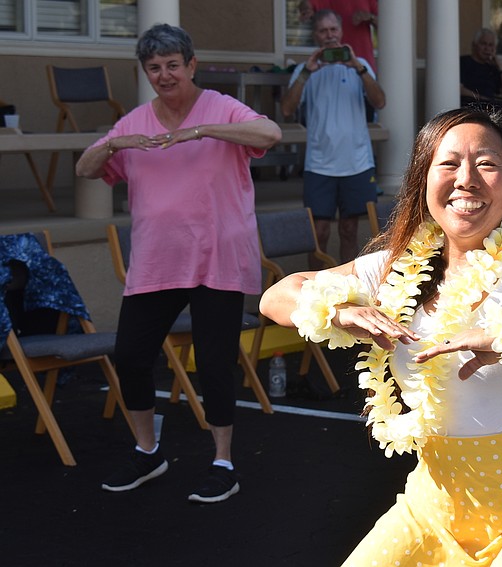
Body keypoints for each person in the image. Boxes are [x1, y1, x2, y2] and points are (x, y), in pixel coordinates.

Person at [259, 107, 502, 564]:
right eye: (448, 164)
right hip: (438, 504)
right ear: (423, 182)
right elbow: (277, 296)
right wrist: (339, 311)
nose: (466, 179)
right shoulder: (391, 268)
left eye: (486, 164)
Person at [76, 24, 282, 502]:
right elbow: (85, 170)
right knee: (130, 357)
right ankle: (148, 452)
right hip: (156, 262)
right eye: (155, 68)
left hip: (217, 258)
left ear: (191, 65)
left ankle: (223, 461)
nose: (165, 75)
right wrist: (112, 145)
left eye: (173, 65)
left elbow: (269, 133)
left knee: (213, 363)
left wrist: (201, 130)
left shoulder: (220, 109)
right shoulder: (133, 122)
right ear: (146, 73)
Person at [281, 9, 385, 268]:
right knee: (319, 234)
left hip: (357, 163)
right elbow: (286, 109)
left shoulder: (360, 65)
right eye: (323, 31)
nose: (329, 36)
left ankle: (346, 290)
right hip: (319, 164)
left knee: (349, 230)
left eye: (333, 30)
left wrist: (358, 67)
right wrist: (307, 71)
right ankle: (315, 293)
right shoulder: (305, 70)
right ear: (315, 35)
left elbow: (380, 101)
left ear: (341, 32)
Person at [310, 0, 377, 71]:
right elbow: (306, 5)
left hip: (362, 63)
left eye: (333, 29)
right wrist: (306, 8)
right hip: (326, 65)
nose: (330, 35)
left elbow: (387, 27)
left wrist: (371, 17)